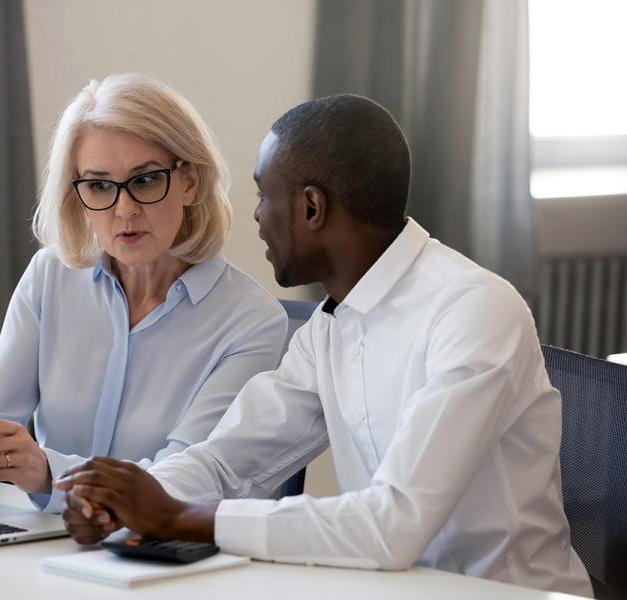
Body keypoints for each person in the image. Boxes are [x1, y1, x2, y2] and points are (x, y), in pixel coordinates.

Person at [55, 94, 593, 596]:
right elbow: (228, 461)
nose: (258, 216)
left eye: (265, 195)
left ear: (311, 208)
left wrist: (174, 516)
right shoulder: (330, 326)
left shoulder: (472, 310)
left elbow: (393, 524)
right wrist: (125, 499)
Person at [0, 73, 288, 513]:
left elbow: (187, 480)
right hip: (48, 542)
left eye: (145, 180)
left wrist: (48, 472)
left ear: (190, 182)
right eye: (100, 186)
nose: (124, 210)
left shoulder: (253, 321)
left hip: (161, 558)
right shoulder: (51, 276)